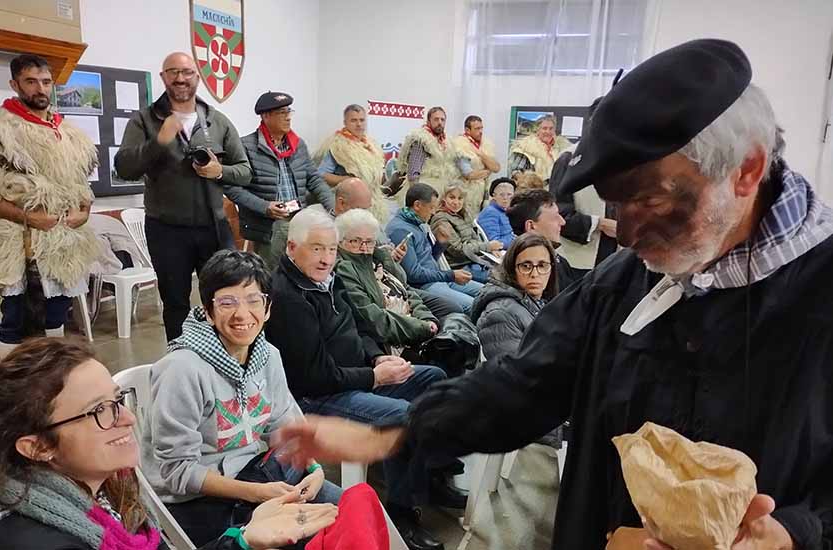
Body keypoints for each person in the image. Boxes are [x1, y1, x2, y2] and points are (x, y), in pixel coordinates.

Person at [272, 39, 833, 550]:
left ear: (746, 170)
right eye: (616, 205)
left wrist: (796, 532)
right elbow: (524, 385)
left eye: (653, 202)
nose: (629, 235)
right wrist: (392, 436)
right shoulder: (625, 285)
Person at [0, 338, 339, 550]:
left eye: (118, 399)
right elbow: (179, 470)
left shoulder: (101, 496)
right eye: (99, 411)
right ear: (37, 447)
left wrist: (244, 538)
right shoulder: (40, 540)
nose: (129, 418)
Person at [265, 208, 461, 550]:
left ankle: (432, 472)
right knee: (401, 415)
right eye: (316, 248)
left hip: (355, 375)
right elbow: (315, 377)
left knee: (435, 378)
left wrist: (376, 356)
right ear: (292, 248)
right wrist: (373, 376)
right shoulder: (288, 298)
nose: (326, 258)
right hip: (319, 397)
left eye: (331, 248)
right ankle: (401, 512)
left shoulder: (327, 278)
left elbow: (356, 328)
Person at [141, 250, 342, 546]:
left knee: (347, 510)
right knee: (312, 537)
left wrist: (314, 469)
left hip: (254, 473)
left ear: (268, 307)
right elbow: (177, 472)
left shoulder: (268, 356)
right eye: (227, 302)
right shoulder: (182, 369)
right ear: (208, 311)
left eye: (253, 300)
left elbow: (283, 427)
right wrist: (256, 494)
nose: (242, 314)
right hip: (194, 501)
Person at [115, 52, 252, 341]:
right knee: (175, 303)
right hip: (166, 229)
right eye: (173, 72)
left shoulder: (217, 121)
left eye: (187, 72)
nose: (180, 78)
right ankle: (180, 364)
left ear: (197, 77)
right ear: (163, 77)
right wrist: (159, 142)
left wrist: (218, 171)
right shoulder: (144, 120)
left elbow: (245, 171)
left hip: (214, 226)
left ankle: (223, 356)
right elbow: (124, 168)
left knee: (225, 296)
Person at [0, 54, 98, 357]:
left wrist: (84, 212)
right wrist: (29, 217)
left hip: (64, 239)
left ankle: (55, 372)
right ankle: (9, 386)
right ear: (15, 84)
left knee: (58, 312)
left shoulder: (70, 134)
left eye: (45, 82)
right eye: (30, 81)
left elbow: (83, 185)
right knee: (14, 318)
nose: (40, 89)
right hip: (16, 239)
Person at [224, 91, 335, 272]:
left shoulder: (297, 145)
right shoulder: (246, 146)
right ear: (266, 116)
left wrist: (332, 207)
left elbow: (314, 179)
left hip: (299, 216)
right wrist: (265, 206)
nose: (288, 117)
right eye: (282, 113)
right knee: (272, 273)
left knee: (305, 265)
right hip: (268, 223)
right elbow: (232, 189)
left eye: (288, 111)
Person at [332, 179, 463, 322]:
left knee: (450, 310)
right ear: (341, 203)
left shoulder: (417, 225)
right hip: (381, 290)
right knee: (452, 310)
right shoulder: (331, 233)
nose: (367, 213)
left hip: (397, 282)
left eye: (368, 208)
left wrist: (393, 258)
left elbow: (403, 274)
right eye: (361, 209)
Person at [335, 209, 439, 356]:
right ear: (340, 241)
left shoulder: (380, 258)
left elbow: (407, 291)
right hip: (391, 344)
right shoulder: (344, 269)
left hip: (415, 329)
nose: (364, 248)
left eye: (369, 241)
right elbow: (372, 319)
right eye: (355, 241)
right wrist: (421, 328)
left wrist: (426, 318)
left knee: (455, 344)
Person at [387, 183, 482, 314]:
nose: (433, 212)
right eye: (431, 208)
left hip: (439, 278)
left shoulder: (417, 223)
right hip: (427, 285)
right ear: (417, 205)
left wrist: (440, 243)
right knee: (473, 306)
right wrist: (450, 275)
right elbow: (413, 274)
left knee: (486, 293)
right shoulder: (400, 230)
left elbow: (429, 258)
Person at [549, 98, 618, 277]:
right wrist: (600, 224)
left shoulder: (624, 159)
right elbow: (558, 214)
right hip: (580, 259)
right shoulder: (568, 160)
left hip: (618, 258)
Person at [470, 233, 557, 366]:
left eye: (542, 265)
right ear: (511, 269)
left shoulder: (538, 302)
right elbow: (518, 376)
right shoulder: (499, 314)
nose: (535, 274)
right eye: (526, 266)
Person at [315, 104, 389, 224]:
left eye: (362, 120)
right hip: (352, 206)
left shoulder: (371, 145)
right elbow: (321, 174)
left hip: (373, 204)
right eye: (353, 120)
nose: (359, 124)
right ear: (345, 122)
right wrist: (347, 180)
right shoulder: (338, 146)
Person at [430, 184, 502, 283]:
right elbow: (458, 250)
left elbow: (475, 238)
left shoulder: (464, 214)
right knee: (503, 280)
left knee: (509, 272)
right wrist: (487, 246)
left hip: (474, 260)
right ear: (444, 199)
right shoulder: (441, 219)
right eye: (452, 197)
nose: (456, 202)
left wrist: (489, 251)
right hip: (458, 266)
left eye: (460, 198)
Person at [507, 189, 576, 291]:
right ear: (531, 226)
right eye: (554, 217)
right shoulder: (538, 274)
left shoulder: (558, 260)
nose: (562, 222)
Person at [397, 107, 467, 198]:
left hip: (441, 192)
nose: (440, 123)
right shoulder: (421, 139)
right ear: (428, 121)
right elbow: (413, 173)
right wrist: (417, 196)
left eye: (442, 120)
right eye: (436, 119)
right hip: (424, 191)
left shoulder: (448, 142)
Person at [451, 115, 500, 218]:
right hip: (465, 193)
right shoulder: (460, 144)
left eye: (481, 128)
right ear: (467, 130)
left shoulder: (486, 145)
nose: (481, 131)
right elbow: (468, 174)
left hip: (482, 192)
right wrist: (487, 171)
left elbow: (496, 168)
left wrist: (481, 154)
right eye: (477, 129)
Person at [509, 114, 571, 180]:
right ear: (537, 130)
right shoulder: (526, 147)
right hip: (535, 188)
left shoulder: (564, 148)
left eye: (551, 128)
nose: (548, 131)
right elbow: (516, 171)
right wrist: (532, 184)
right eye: (544, 128)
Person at [476, 178, 516, 248]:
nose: (505, 198)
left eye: (509, 194)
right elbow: (495, 242)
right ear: (494, 196)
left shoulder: (508, 210)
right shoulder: (490, 212)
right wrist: (517, 239)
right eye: (501, 194)